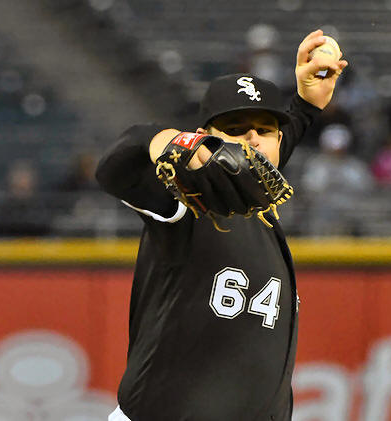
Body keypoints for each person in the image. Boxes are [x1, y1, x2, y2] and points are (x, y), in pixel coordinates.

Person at [95, 30, 347, 421]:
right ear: (204, 139)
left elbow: (260, 155)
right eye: (235, 128)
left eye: (265, 129)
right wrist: (163, 140)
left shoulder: (255, 195)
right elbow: (114, 169)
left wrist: (306, 104)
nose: (253, 139)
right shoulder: (187, 200)